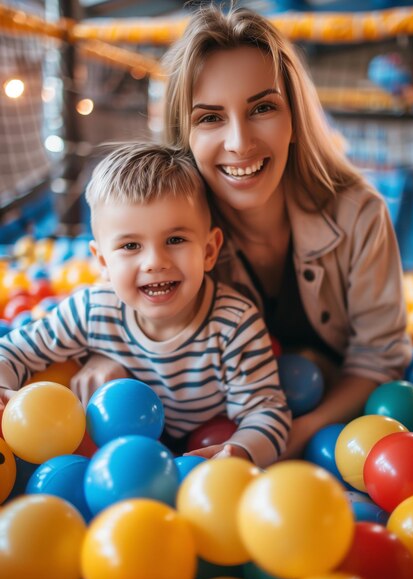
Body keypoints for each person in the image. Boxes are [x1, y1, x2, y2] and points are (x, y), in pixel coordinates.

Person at [71, 3, 412, 459]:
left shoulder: (358, 214)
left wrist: (301, 430)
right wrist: (114, 352)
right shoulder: (173, 229)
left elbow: (379, 357)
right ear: (184, 134)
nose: (239, 142)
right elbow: (123, 291)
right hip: (221, 424)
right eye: (210, 117)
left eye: (263, 108)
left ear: (293, 120)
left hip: (319, 421)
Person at [0, 142, 291, 467]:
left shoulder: (234, 325)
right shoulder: (93, 309)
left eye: (175, 240)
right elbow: (12, 351)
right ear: (103, 262)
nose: (155, 261)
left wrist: (240, 450)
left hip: (195, 455)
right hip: (108, 458)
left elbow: (267, 414)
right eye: (130, 245)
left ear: (209, 250)